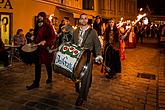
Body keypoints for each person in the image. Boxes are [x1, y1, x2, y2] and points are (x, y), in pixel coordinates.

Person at [71, 13, 102, 106]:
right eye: (82, 18)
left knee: (85, 76)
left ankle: (82, 96)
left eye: (85, 19)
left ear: (87, 20)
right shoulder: (76, 31)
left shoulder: (93, 32)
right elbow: (72, 42)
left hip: (88, 57)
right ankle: (79, 87)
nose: (83, 20)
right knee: (76, 74)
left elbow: (97, 44)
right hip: (77, 58)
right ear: (79, 20)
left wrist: (99, 55)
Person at [26, 12, 57, 90]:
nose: (39, 18)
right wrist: (33, 36)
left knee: (47, 64)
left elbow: (53, 37)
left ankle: (50, 78)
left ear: (44, 17)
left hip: (46, 49)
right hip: (38, 49)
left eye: (41, 16)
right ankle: (36, 83)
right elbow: (36, 34)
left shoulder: (48, 26)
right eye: (38, 16)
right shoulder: (37, 26)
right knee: (37, 65)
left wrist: (45, 42)